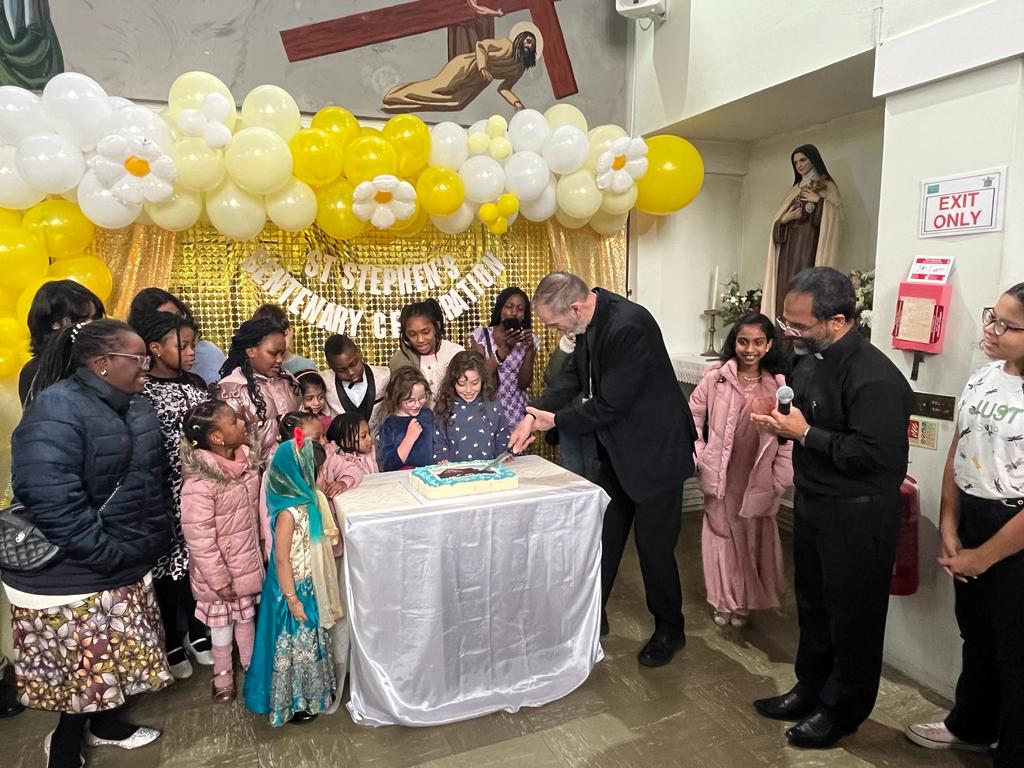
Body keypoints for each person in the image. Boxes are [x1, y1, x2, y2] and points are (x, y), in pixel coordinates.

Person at [750, 266, 914, 749]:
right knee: (814, 604)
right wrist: (784, 424)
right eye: (787, 322)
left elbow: (878, 458)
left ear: (838, 320)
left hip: (860, 513)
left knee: (853, 615)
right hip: (817, 503)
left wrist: (804, 434)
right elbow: (803, 416)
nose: (790, 334)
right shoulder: (810, 358)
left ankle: (843, 710)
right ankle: (810, 688)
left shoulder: (876, 376)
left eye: (799, 325)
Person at [508, 272, 697, 667]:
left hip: (656, 452)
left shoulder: (629, 326)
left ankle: (670, 630)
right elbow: (573, 379)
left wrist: (555, 422)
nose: (555, 329)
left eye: (555, 322)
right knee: (604, 536)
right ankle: (592, 617)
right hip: (619, 450)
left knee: (654, 548)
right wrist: (532, 413)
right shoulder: (589, 322)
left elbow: (610, 405)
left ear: (575, 308)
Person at [8, 320, 172, 767]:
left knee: (112, 657)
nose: (148, 364)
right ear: (101, 364)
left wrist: (151, 538)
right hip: (73, 568)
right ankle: (64, 744)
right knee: (84, 664)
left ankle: (105, 725)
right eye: (137, 358)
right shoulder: (55, 409)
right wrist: (104, 552)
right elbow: (50, 497)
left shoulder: (137, 406)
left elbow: (149, 481)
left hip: (123, 556)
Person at [905, 287, 1024, 765]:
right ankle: (972, 724)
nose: (990, 331)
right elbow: (962, 444)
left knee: (1017, 651)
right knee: (977, 634)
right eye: (992, 317)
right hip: (973, 514)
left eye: (1007, 325)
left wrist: (983, 554)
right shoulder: (983, 377)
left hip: (1013, 526)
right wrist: (951, 522)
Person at [689, 313, 792, 629]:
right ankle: (724, 598)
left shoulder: (777, 386)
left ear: (769, 345)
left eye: (757, 342)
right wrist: (700, 455)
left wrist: (780, 477)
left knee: (750, 537)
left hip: (757, 475)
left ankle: (745, 597)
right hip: (721, 471)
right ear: (734, 342)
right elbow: (692, 417)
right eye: (743, 341)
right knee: (721, 534)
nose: (749, 349)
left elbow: (787, 436)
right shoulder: (716, 378)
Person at [132, 310, 214, 679]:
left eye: (193, 343)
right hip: (163, 494)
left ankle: (198, 632)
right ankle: (170, 640)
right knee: (168, 571)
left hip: (203, 491)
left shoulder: (197, 383)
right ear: (155, 348)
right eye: (182, 345)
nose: (192, 351)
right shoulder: (141, 390)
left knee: (198, 562)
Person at [244, 433, 344, 726]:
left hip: (308, 585)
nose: (323, 474)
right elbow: (282, 559)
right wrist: (292, 599)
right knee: (293, 646)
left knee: (311, 640)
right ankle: (293, 702)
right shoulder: (288, 512)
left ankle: (313, 695)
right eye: (319, 469)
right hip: (291, 590)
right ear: (302, 474)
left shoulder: (309, 502)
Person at [178, 399, 264, 703]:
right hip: (221, 573)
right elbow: (199, 537)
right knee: (222, 625)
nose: (242, 424)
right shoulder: (200, 483)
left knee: (246, 618)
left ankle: (251, 666)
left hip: (247, 564)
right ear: (216, 437)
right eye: (234, 422)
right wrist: (218, 578)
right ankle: (223, 673)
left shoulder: (247, 466)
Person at [382, 23, 541, 113]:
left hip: (477, 82)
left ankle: (398, 104)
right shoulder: (506, 46)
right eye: (527, 41)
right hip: (466, 67)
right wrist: (483, 67)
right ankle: (393, 95)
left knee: (456, 103)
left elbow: (504, 88)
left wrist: (517, 103)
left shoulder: (518, 69)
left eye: (531, 44)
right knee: (439, 87)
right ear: (520, 39)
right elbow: (481, 46)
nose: (528, 45)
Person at [761, 145, 842, 319]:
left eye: (803, 160)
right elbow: (777, 222)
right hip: (788, 249)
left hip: (809, 246)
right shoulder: (794, 189)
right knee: (786, 287)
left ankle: (801, 332)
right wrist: (784, 220)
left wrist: (819, 203)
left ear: (813, 159)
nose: (799, 165)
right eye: (795, 162)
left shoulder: (826, 186)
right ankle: (783, 336)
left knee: (804, 287)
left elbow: (835, 219)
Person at [217, 318, 301, 464]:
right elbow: (229, 449)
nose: (280, 360)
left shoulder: (289, 381)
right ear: (251, 351)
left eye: (282, 353)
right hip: (253, 478)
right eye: (273, 353)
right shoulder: (231, 390)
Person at [20, 279, 104, 405]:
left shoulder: (98, 359)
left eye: (96, 318)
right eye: (83, 319)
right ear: (55, 322)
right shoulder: (38, 371)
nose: (93, 325)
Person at [469, 286, 540, 430]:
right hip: (487, 409)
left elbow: (524, 384)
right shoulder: (481, 335)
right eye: (509, 306)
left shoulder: (530, 340)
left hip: (517, 412)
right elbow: (480, 377)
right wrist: (505, 349)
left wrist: (529, 350)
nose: (514, 312)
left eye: (520, 309)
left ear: (524, 315)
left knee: (517, 451)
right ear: (500, 309)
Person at [127, 288, 226, 386]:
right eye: (166, 320)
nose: (177, 323)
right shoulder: (138, 383)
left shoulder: (208, 354)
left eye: (179, 315)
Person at [433, 350, 509, 462]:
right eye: (461, 384)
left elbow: (501, 435)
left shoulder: (493, 405)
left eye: (474, 383)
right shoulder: (444, 406)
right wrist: (441, 459)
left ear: (483, 380)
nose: (468, 390)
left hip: (488, 472)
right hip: (455, 473)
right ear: (452, 381)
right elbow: (438, 439)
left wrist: (504, 455)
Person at [388, 299, 464, 397]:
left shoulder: (455, 353)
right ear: (406, 334)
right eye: (412, 334)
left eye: (426, 332)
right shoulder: (399, 359)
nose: (420, 339)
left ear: (437, 327)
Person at [321, 334, 390, 440]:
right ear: (331, 367)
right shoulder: (324, 382)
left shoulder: (384, 375)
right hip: (342, 451)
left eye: (354, 364)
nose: (351, 372)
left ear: (359, 354)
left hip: (379, 448)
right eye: (341, 370)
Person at [379, 366, 435, 471]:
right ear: (397, 398)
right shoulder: (389, 425)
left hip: (430, 476)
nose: (417, 404)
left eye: (422, 398)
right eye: (410, 401)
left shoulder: (427, 415)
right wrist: (410, 438)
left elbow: (438, 443)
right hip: (404, 479)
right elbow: (389, 465)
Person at [251, 303, 316, 375]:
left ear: (290, 331)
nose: (278, 343)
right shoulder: (254, 366)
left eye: (282, 335)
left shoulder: (306, 366)